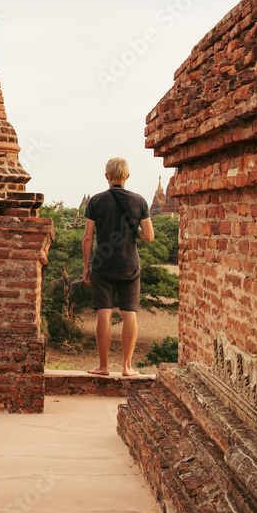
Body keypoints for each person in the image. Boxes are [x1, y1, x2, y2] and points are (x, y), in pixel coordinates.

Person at [82, 157, 154, 376]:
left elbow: (87, 237)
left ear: (107, 176)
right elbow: (149, 236)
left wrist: (86, 267)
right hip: (129, 265)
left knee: (104, 313)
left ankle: (103, 366)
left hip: (102, 264)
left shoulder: (96, 201)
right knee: (128, 313)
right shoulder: (139, 201)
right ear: (127, 176)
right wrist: (135, 232)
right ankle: (127, 367)